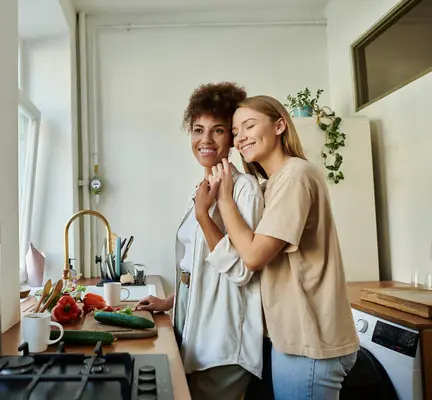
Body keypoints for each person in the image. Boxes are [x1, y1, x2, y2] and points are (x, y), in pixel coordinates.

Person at [208, 95, 359, 400]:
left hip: (310, 344)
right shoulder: (272, 183)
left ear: (279, 126)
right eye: (236, 132)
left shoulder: (296, 176)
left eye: (249, 126)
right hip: (297, 340)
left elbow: (252, 257)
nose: (241, 138)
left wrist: (223, 199)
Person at [135, 82, 264, 400]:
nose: (205, 140)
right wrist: (171, 302)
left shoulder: (244, 189)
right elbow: (198, 263)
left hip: (223, 342)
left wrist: (204, 216)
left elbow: (241, 270)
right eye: (197, 129)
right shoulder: (205, 186)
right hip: (194, 328)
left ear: (232, 137)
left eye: (217, 130)